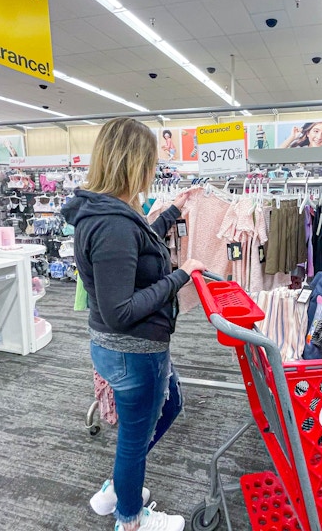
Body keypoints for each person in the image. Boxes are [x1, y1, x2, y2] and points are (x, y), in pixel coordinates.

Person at [62, 118, 204, 531]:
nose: (154, 170)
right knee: (133, 440)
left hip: (130, 348)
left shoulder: (115, 210)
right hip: (133, 349)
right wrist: (181, 276)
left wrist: (174, 210)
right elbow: (119, 309)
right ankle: (130, 518)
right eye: (151, 161)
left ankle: (117, 490)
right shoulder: (113, 222)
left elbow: (138, 252)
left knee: (167, 407)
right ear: (134, 162)